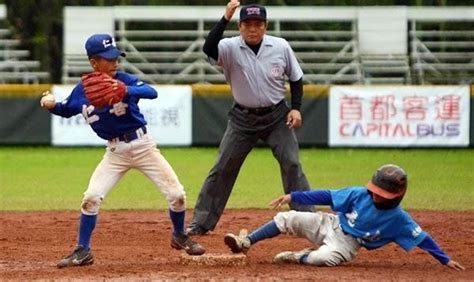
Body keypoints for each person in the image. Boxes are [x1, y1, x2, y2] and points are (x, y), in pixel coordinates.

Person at [40, 33, 205, 269]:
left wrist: (124, 89)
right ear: (94, 63)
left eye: (116, 56)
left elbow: (151, 92)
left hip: (143, 146)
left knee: (177, 194)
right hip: (115, 152)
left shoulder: (124, 79)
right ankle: (83, 250)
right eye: (109, 58)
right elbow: (67, 109)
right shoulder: (83, 90)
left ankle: (179, 236)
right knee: (91, 198)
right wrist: (51, 105)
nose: (115, 61)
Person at [187, 1, 313, 236]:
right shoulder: (229, 47)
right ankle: (201, 222)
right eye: (247, 24)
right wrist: (224, 17)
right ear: (240, 26)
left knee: (292, 163)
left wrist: (296, 108)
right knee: (223, 168)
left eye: (258, 24)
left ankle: (307, 219)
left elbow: (296, 78)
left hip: (277, 116)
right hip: (242, 119)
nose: (253, 29)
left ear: (265, 26)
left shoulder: (280, 46)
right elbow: (208, 48)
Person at [223, 164, 465, 271]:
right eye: (375, 191)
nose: (376, 196)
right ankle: (247, 242)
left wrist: (444, 259)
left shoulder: (399, 218)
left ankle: (299, 257)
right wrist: (293, 195)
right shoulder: (360, 194)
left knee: (323, 259)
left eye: (382, 194)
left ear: (395, 196)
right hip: (332, 223)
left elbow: (422, 238)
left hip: (348, 244)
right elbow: (327, 195)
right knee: (288, 218)